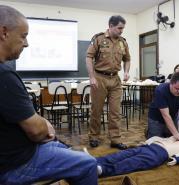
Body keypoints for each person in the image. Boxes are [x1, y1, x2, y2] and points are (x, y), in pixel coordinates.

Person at [0, 5, 97, 185]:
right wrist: (44, 124)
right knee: (88, 164)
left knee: (60, 146)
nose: (27, 43)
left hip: (10, 153)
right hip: (14, 163)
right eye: (23, 36)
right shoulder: (4, 76)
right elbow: (36, 132)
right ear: (4, 32)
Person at [86, 15, 131, 149]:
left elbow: (127, 59)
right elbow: (89, 57)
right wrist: (91, 77)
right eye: (119, 28)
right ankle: (94, 136)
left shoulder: (123, 42)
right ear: (111, 26)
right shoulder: (99, 39)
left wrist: (127, 71)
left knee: (115, 112)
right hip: (99, 78)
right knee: (96, 110)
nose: (121, 31)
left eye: (123, 28)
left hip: (115, 79)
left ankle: (115, 139)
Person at [95, 132, 179, 177]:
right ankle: (96, 161)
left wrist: (177, 160)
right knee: (122, 154)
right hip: (149, 147)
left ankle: (103, 170)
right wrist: (175, 136)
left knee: (130, 163)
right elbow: (162, 139)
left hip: (158, 154)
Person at [147, 72, 179, 142]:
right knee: (154, 142)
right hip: (156, 118)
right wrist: (175, 133)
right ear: (171, 83)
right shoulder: (160, 90)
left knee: (178, 139)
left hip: (172, 116)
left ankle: (166, 132)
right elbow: (166, 115)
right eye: (177, 88)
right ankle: (149, 131)